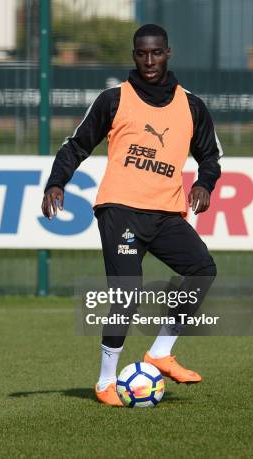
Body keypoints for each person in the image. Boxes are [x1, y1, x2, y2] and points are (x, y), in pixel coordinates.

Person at [41, 24, 221, 406]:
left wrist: (205, 182)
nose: (149, 60)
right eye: (142, 53)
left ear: (168, 53)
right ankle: (106, 381)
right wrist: (56, 182)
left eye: (156, 53)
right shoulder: (113, 100)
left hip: (166, 213)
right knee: (126, 293)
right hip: (120, 210)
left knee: (202, 269)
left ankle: (159, 353)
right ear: (134, 55)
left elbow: (210, 156)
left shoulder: (191, 106)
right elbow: (77, 145)